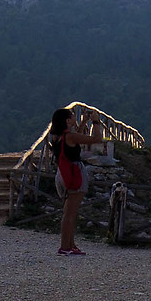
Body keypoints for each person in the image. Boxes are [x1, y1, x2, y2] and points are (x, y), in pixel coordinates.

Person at [48, 105, 90, 257]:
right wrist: (96, 124)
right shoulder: (68, 136)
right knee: (70, 214)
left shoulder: (57, 136)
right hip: (72, 173)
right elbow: (93, 139)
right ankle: (65, 247)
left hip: (61, 173)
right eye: (72, 116)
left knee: (68, 212)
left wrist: (84, 121)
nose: (74, 117)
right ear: (67, 120)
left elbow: (75, 139)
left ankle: (71, 245)